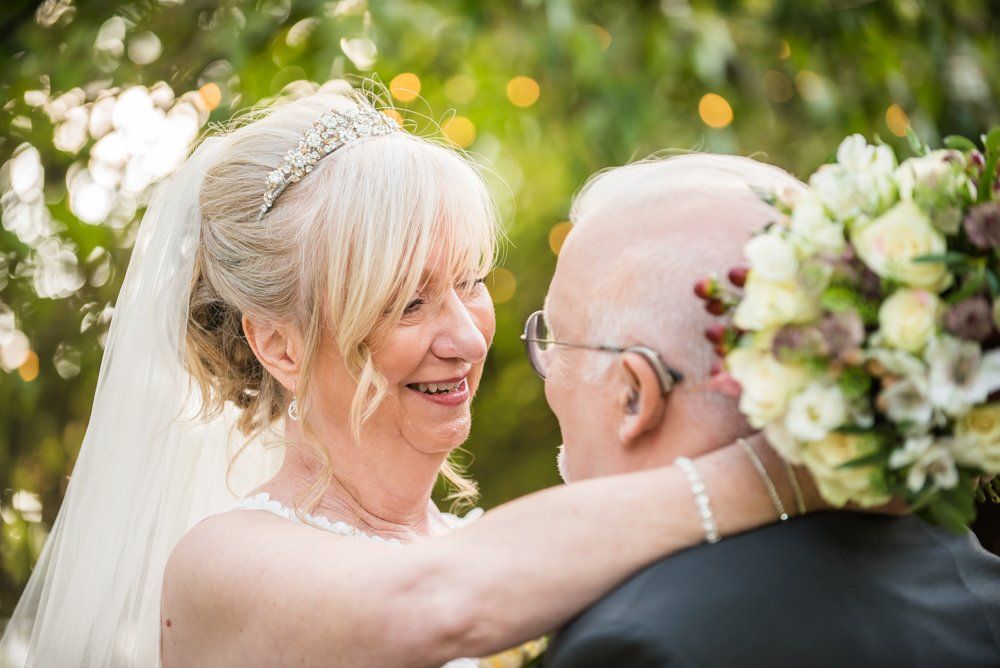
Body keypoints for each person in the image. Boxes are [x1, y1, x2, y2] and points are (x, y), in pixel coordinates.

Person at [0, 85, 826, 668]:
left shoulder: (478, 544)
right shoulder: (224, 563)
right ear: (280, 346)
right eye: (407, 304)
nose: (467, 337)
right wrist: (794, 462)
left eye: (469, 281)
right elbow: (433, 607)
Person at [541, 154, 1000, 667]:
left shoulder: (636, 642)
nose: (549, 375)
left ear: (634, 395)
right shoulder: (973, 580)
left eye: (557, 341)